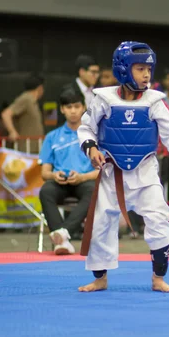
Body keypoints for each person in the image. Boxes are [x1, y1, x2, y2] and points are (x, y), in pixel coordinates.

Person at [77, 41, 169, 293]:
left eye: (149, 70)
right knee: (100, 224)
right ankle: (100, 278)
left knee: (159, 220)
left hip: (145, 172)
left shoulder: (154, 101)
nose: (146, 75)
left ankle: (158, 278)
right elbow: (86, 128)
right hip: (112, 173)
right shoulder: (103, 99)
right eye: (140, 69)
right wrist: (91, 147)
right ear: (123, 70)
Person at [39, 89, 98, 255]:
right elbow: (45, 173)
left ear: (83, 108)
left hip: (85, 180)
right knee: (46, 190)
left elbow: (100, 171)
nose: (73, 111)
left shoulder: (94, 135)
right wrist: (53, 176)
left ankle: (63, 235)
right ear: (62, 109)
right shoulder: (52, 137)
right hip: (60, 182)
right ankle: (62, 238)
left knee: (94, 190)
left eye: (77, 106)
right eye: (68, 107)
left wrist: (82, 177)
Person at [1, 75, 45, 153]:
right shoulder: (26, 98)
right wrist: (12, 131)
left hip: (34, 148)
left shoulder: (33, 101)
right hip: (25, 149)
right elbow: (6, 114)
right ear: (40, 88)